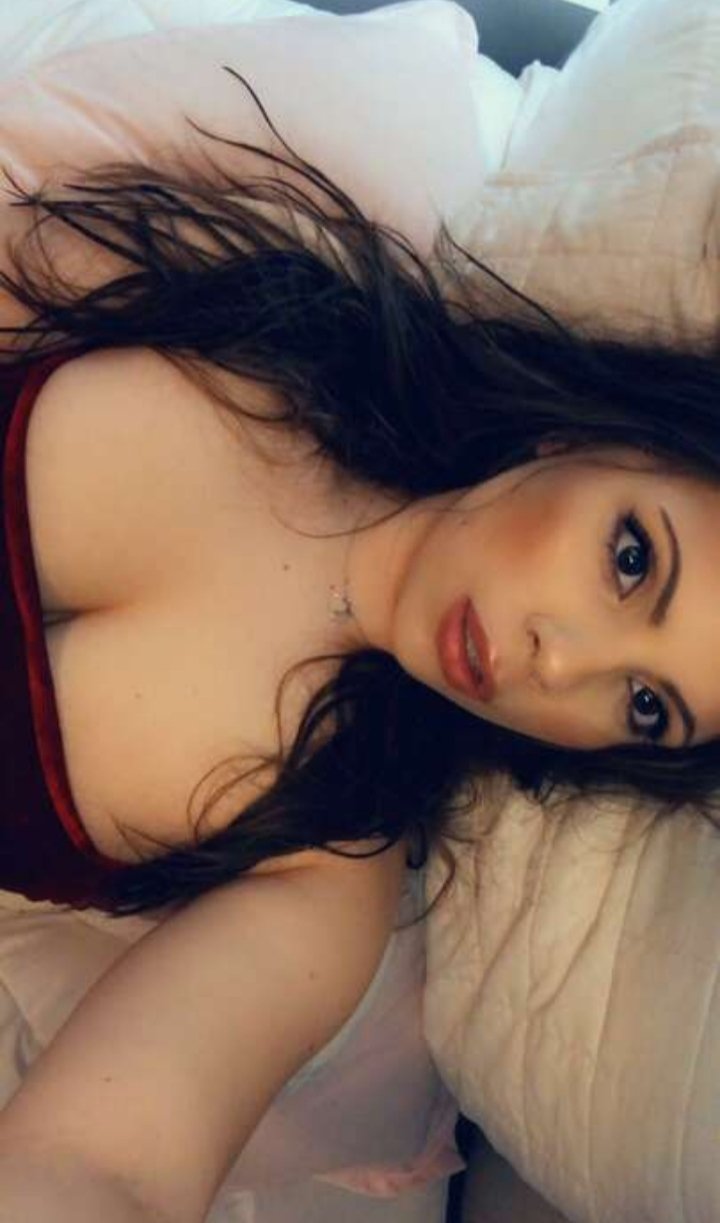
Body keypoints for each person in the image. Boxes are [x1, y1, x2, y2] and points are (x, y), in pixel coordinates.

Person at [0, 91, 719, 1222]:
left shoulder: (324, 868)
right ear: (586, 439)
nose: (560, 662)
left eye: (643, 703)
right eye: (631, 559)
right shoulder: (265, 320)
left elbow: (114, 1163)